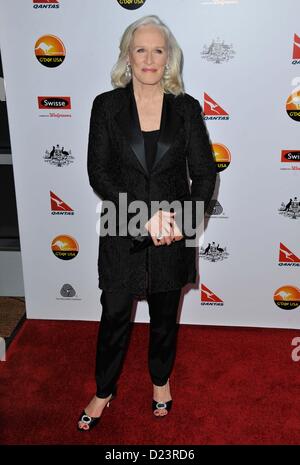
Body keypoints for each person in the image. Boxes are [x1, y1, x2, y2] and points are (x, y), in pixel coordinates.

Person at [78, 14, 217, 431]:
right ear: (127, 57)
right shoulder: (106, 105)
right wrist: (146, 214)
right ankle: (104, 389)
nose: (150, 58)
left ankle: (160, 381)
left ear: (169, 58)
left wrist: (182, 220)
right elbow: (98, 172)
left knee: (163, 317)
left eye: (159, 50)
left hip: (173, 233)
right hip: (123, 227)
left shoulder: (187, 108)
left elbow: (206, 173)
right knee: (115, 315)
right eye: (141, 49)